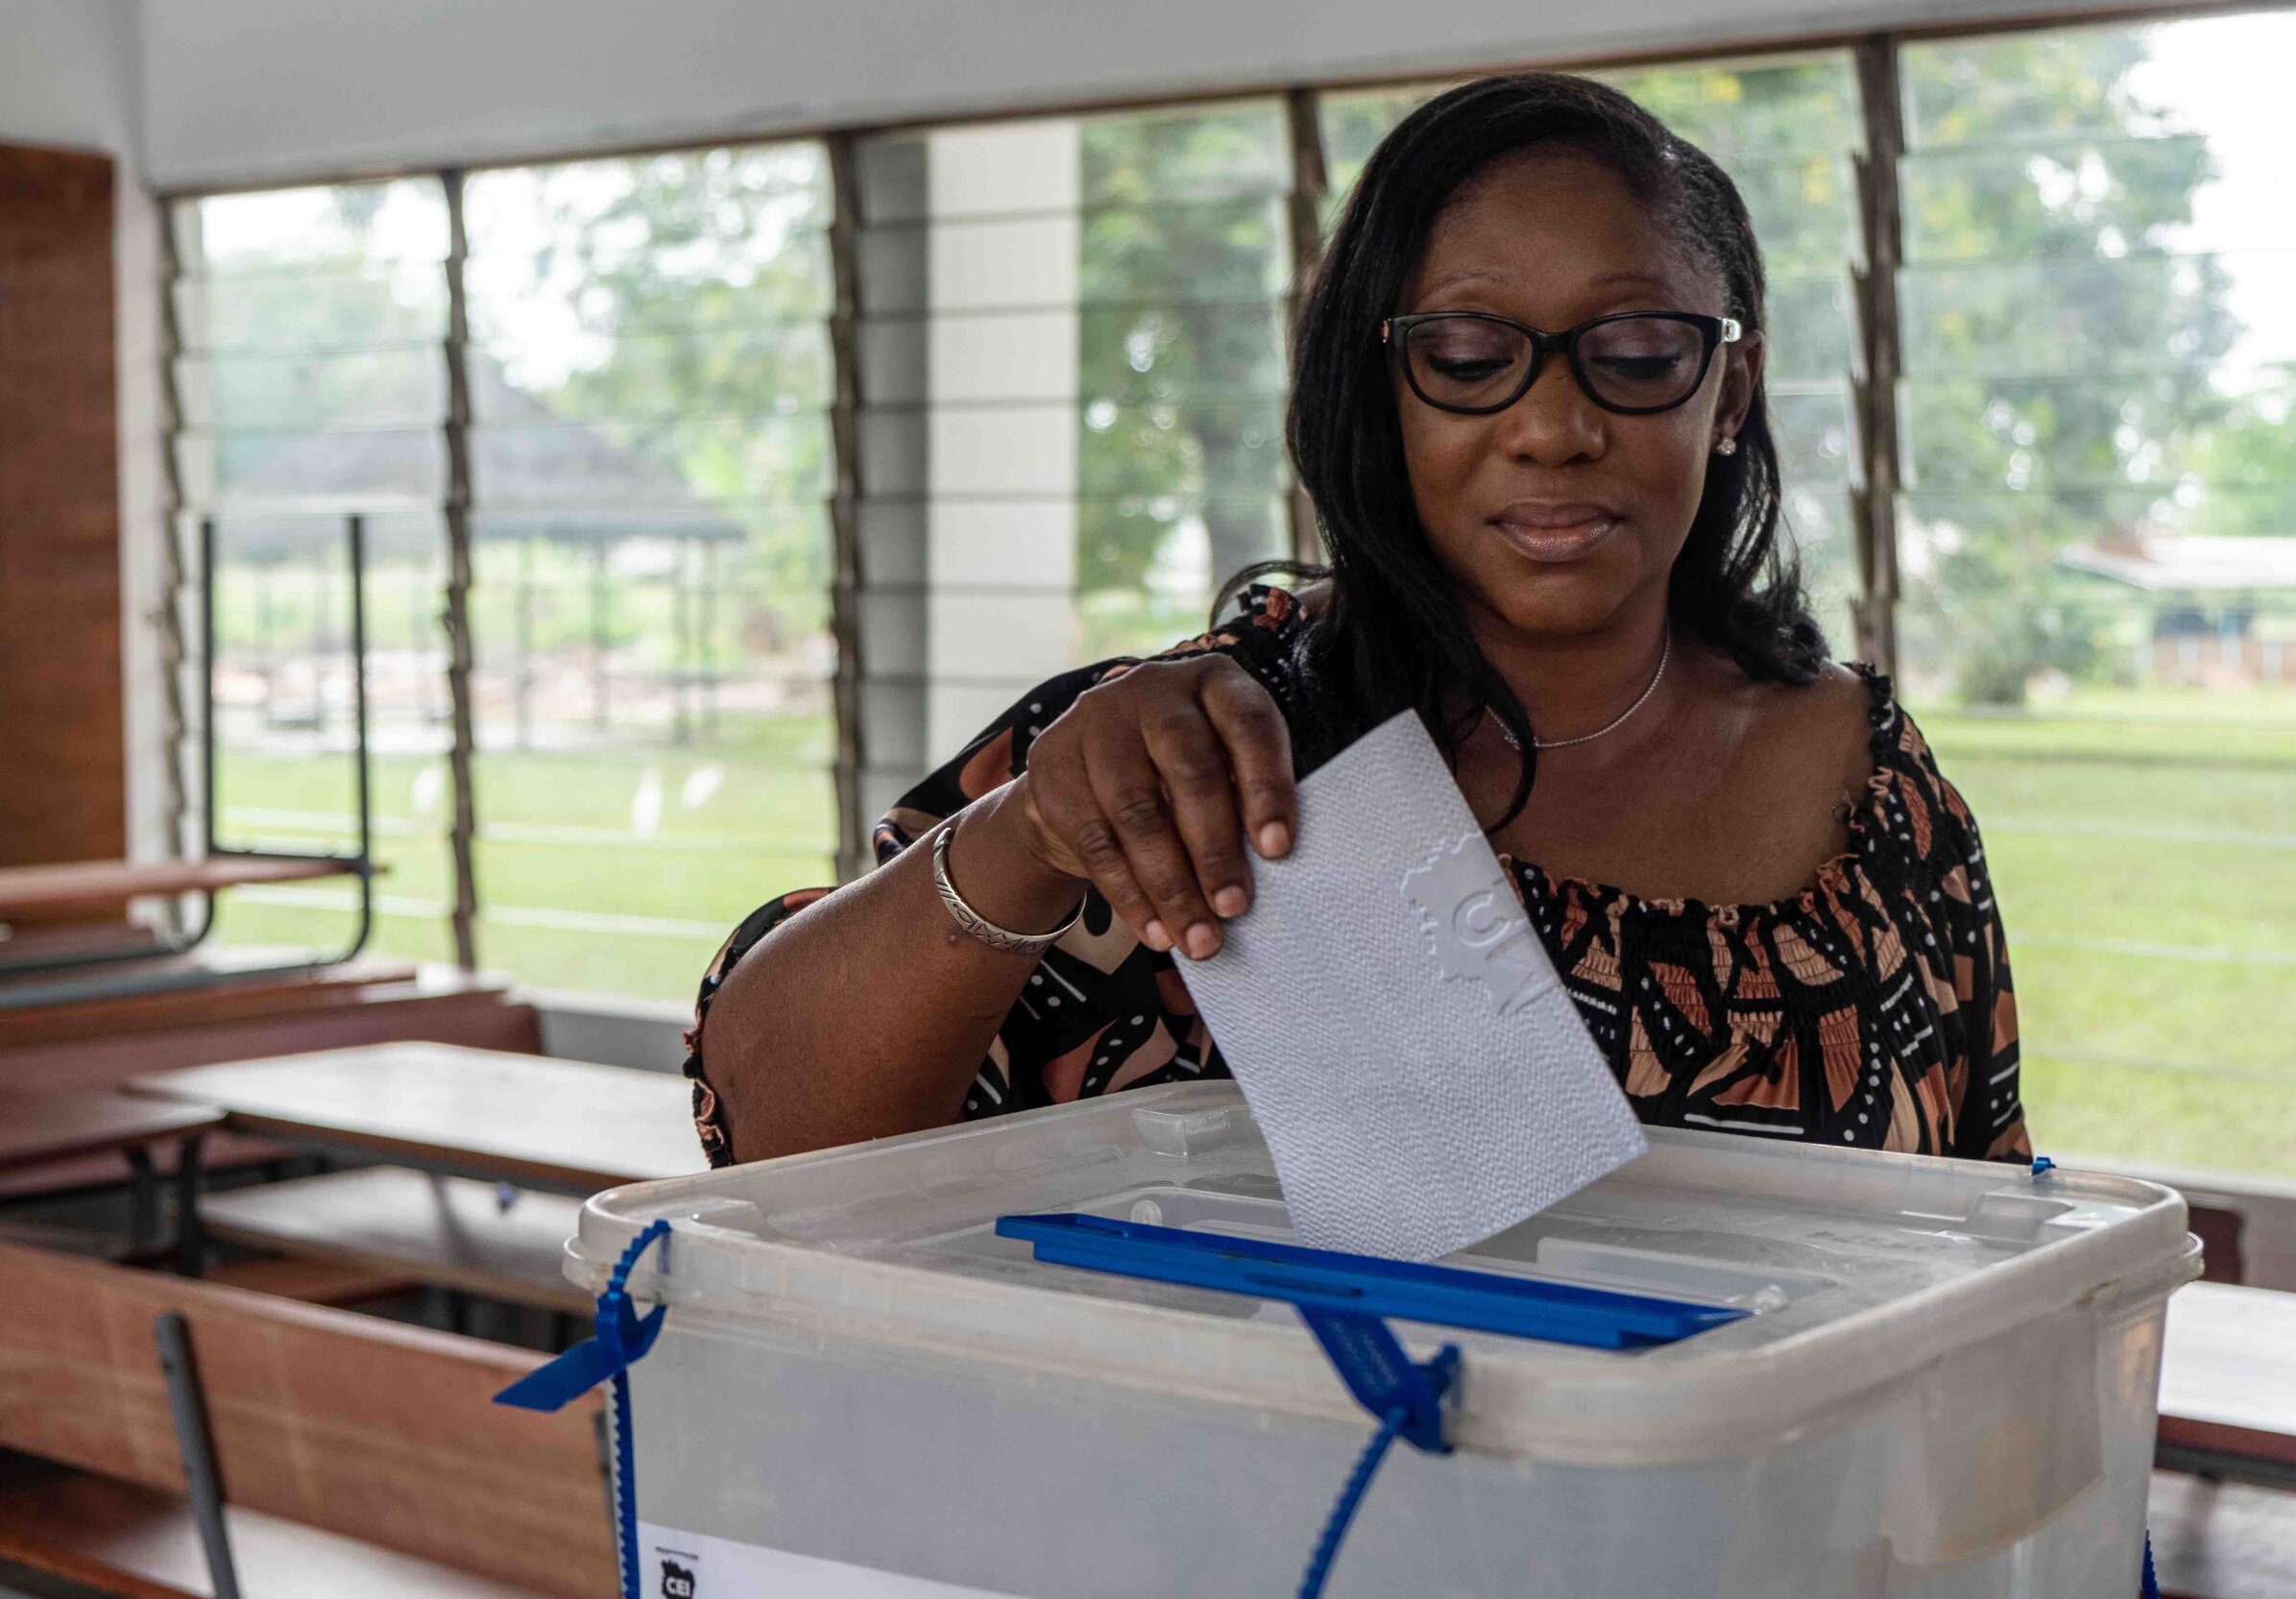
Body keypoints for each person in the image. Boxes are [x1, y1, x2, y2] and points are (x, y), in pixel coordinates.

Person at [685, 75, 2031, 1169]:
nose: (1554, 427)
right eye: (1465, 358)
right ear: (1376, 392)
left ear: (1727, 394)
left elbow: (1984, 1224)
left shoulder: (1868, 779)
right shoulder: (1181, 763)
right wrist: (1032, 829)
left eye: (1633, 355)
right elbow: (769, 1140)